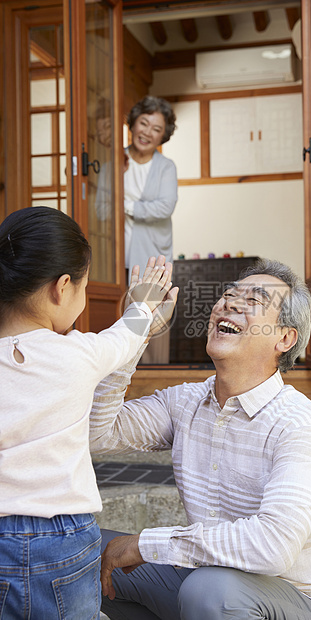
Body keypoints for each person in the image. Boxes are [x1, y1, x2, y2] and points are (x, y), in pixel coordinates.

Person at [90, 258, 311, 620]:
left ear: (285, 338)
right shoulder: (185, 402)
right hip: (211, 587)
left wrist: (147, 544)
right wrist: (138, 326)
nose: (229, 303)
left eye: (254, 300)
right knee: (81, 549)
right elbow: (98, 431)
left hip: (298, 601)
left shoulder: (300, 424)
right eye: (229, 294)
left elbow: (272, 547)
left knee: (210, 590)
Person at [0, 206, 177, 619]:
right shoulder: (77, 354)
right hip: (62, 536)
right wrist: (145, 304)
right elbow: (126, 337)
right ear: (62, 288)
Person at [124, 95, 178, 364]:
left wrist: (128, 207)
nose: (147, 132)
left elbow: (165, 207)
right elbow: (100, 208)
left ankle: (151, 376)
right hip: (114, 252)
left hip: (150, 255)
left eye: (156, 129)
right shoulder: (114, 160)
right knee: (119, 316)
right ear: (132, 124)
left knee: (150, 315)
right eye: (143, 123)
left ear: (162, 137)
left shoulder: (165, 166)